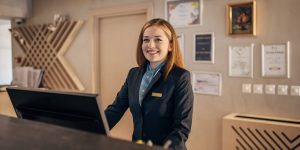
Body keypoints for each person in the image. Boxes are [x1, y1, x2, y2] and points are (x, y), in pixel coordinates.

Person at [104, 18, 194, 150]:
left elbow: (182, 126)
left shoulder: (180, 77)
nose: (150, 45)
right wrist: (91, 129)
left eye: (158, 39)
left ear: (170, 46)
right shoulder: (133, 74)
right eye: (146, 40)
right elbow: (115, 110)